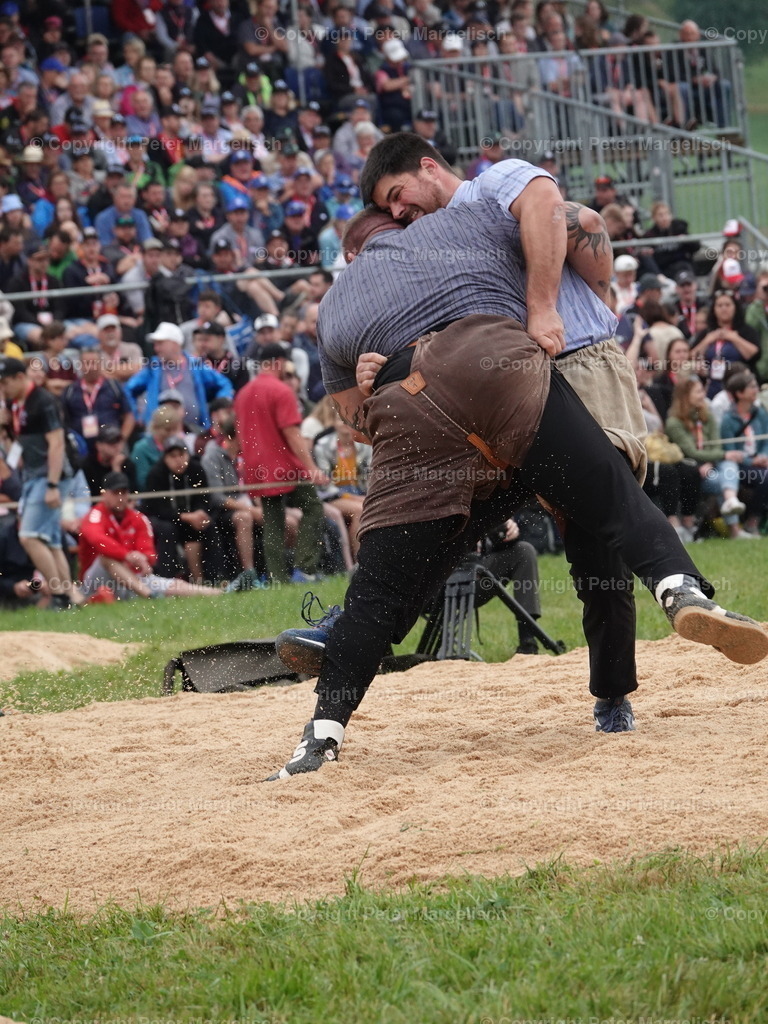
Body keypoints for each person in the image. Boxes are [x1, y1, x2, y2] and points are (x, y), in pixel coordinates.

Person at [264, 203, 768, 780]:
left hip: (409, 405)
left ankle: (320, 739)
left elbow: (358, 420)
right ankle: (676, 595)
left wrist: (374, 377)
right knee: (609, 503)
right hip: (505, 367)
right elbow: (570, 218)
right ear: (400, 227)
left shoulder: (335, 305)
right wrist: (548, 305)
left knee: (385, 582)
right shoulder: (463, 218)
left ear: (352, 254)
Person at [358, 131, 647, 728]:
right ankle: (353, 628)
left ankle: (615, 692)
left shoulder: (492, 187)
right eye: (386, 207)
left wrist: (570, 301)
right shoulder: (427, 246)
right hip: (500, 390)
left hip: (572, 364)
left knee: (597, 536)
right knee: (444, 522)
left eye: (396, 193)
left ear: (428, 167)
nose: (396, 211)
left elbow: (581, 217)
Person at [233, 342, 327, 584]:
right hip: (285, 468)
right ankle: (304, 569)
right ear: (277, 362)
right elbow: (293, 435)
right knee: (314, 508)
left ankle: (277, 579)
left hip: (258, 469)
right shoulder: (282, 391)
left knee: (273, 524)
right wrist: (312, 468)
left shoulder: (242, 394)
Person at [0, 355, 83, 607]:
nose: (1, 389)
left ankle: (59, 594)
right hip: (34, 476)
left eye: (4, 383)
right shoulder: (14, 402)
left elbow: (56, 444)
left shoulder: (43, 401)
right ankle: (69, 597)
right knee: (51, 540)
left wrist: (52, 485)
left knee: (29, 536)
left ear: (19, 377)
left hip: (50, 476)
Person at [79, 470, 219, 600]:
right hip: (97, 581)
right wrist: (128, 556)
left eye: (123, 492)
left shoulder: (138, 518)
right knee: (107, 559)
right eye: (116, 493)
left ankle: (223, 592)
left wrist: (144, 560)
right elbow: (98, 540)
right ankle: (150, 596)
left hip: (131, 578)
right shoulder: (95, 514)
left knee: (175, 585)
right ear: (104, 494)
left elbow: (148, 552)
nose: (120, 497)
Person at [664, 376, 750, 540]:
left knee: (728, 465)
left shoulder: (706, 416)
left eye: (702, 390)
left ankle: (731, 502)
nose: (703, 395)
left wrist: (711, 461)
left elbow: (716, 445)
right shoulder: (674, 422)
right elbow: (691, 452)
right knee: (722, 481)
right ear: (684, 395)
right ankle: (733, 527)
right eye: (698, 391)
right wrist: (718, 456)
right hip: (693, 471)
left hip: (711, 465)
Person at [125, 322, 234, 429]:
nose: (156, 348)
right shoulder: (152, 368)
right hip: (160, 433)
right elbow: (128, 390)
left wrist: (220, 405)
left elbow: (223, 383)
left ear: (175, 343)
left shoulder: (194, 364)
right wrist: (136, 415)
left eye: (160, 343)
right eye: (155, 344)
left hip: (195, 431)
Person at [141, 435, 215, 584]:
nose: (178, 460)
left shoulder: (196, 469)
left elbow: (205, 498)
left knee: (209, 525)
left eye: (181, 455)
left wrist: (200, 512)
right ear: (165, 458)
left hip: (191, 518)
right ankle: (166, 581)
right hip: (164, 519)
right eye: (173, 456)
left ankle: (216, 578)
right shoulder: (156, 474)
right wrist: (186, 517)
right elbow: (156, 508)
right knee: (167, 529)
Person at [719, 370, 768, 535]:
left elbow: (766, 439)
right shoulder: (728, 420)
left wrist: (763, 456)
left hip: (760, 460)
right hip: (741, 465)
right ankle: (752, 520)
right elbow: (730, 451)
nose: (756, 390)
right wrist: (751, 461)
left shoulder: (759, 413)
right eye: (752, 387)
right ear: (739, 393)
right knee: (764, 478)